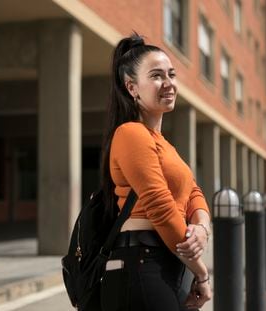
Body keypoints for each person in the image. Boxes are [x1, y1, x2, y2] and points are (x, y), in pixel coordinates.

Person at [100, 33, 212, 311]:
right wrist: (202, 272)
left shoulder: (164, 145)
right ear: (132, 87)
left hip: (165, 261)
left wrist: (202, 228)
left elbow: (194, 192)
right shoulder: (131, 134)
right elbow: (160, 207)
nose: (168, 83)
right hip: (141, 263)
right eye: (157, 76)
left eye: (171, 75)